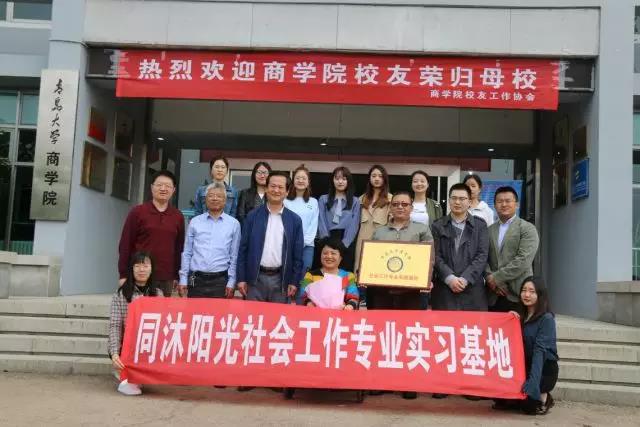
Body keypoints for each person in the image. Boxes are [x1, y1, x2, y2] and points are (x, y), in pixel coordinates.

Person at [369, 191, 433, 400]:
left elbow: (429, 258)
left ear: (411, 208)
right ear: (390, 207)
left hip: (411, 293)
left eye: (405, 204)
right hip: (382, 292)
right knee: (383, 337)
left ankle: (408, 383)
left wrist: (426, 279)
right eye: (396, 204)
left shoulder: (421, 230)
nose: (400, 207)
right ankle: (381, 382)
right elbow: (372, 259)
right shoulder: (379, 232)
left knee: (410, 338)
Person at [430, 183, 489, 399]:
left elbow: (482, 255)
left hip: (472, 289)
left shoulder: (480, 225)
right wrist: (449, 278)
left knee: (471, 338)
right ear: (449, 200)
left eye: (462, 198)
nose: (457, 202)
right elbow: (435, 256)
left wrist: (464, 278)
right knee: (444, 338)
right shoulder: (438, 225)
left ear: (469, 201)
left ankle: (470, 385)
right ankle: (443, 384)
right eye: (454, 198)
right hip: (445, 288)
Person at [493, 277, 558, 415]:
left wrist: (533, 384)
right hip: (523, 366)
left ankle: (545, 398)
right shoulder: (520, 315)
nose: (527, 295)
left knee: (529, 407)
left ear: (540, 295)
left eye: (532, 291)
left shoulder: (547, 319)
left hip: (543, 368)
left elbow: (539, 352)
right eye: (524, 290)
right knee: (499, 399)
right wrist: (509, 320)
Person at [236, 171, 304, 304]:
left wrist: (294, 281)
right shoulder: (252, 216)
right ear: (266, 188)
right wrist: (241, 278)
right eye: (272, 186)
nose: (276, 190)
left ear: (287, 192)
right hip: (255, 279)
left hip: (281, 280)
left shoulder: (295, 220)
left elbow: (298, 255)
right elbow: (243, 249)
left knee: (278, 317)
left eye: (280, 187)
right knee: (252, 316)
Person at [118, 170, 185, 297]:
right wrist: (123, 274)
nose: (163, 189)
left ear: (173, 190)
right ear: (152, 187)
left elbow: (179, 249)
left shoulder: (178, 216)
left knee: (163, 309)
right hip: (141, 275)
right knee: (140, 309)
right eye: (159, 185)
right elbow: (125, 244)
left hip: (166, 277)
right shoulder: (138, 212)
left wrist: (177, 275)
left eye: (168, 186)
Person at [108, 252, 163, 396]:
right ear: (131, 269)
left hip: (149, 347)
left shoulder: (158, 294)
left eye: (145, 266)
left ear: (152, 269)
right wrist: (114, 353)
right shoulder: (121, 294)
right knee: (129, 382)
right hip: (128, 347)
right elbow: (115, 325)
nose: (141, 270)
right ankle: (128, 376)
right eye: (137, 266)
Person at [178, 182, 241, 299]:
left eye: (219, 196)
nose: (214, 198)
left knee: (219, 311)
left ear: (225, 201)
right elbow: (187, 252)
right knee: (194, 311)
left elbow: (234, 255)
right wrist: (183, 278)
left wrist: (232, 281)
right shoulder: (195, 222)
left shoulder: (234, 224)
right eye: (211, 195)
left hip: (221, 280)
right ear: (205, 200)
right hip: (196, 279)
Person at [485, 186, 540, 313]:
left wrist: (497, 278)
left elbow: (523, 260)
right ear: (494, 205)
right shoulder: (489, 230)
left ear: (517, 204)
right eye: (500, 201)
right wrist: (490, 279)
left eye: (508, 201)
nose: (504, 204)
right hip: (493, 295)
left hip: (518, 293)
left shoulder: (527, 228)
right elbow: (483, 258)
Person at [317, 166, 361, 271]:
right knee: (326, 271)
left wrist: (344, 244)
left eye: (344, 179)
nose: (340, 182)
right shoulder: (323, 199)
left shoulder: (355, 201)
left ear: (348, 181)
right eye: (337, 178)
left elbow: (354, 224)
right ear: (332, 180)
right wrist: (326, 241)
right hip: (328, 237)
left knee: (344, 272)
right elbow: (321, 220)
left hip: (346, 240)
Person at [409, 170, 442, 310]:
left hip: (426, 251)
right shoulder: (406, 203)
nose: (419, 184)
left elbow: (439, 229)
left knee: (424, 284)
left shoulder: (435, 205)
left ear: (428, 184)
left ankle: (421, 312)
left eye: (422, 181)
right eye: (415, 181)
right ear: (411, 184)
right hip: (408, 249)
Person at [299, 237, 359, 310]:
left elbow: (353, 297)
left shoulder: (348, 276)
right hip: (315, 313)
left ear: (340, 257)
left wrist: (350, 306)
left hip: (340, 315)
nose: (329, 256)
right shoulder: (310, 275)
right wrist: (309, 303)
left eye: (333, 253)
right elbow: (303, 295)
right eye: (325, 253)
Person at [354, 164, 392, 271]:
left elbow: (392, 223)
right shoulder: (361, 199)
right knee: (360, 269)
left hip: (381, 241)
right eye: (374, 176)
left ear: (384, 179)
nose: (377, 179)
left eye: (380, 176)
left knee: (378, 270)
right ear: (369, 178)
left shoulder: (390, 199)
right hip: (362, 240)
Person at [284, 164, 318, 277]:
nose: (300, 180)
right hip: (288, 244)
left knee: (304, 275)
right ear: (293, 181)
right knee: (287, 274)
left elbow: (313, 224)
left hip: (307, 246)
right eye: (298, 178)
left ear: (308, 182)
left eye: (304, 178)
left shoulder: (313, 202)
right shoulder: (285, 201)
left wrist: (303, 242)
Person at [237, 161, 272, 226]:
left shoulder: (273, 194)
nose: (262, 176)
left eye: (265, 172)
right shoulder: (245, 193)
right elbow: (240, 216)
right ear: (254, 175)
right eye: (259, 172)